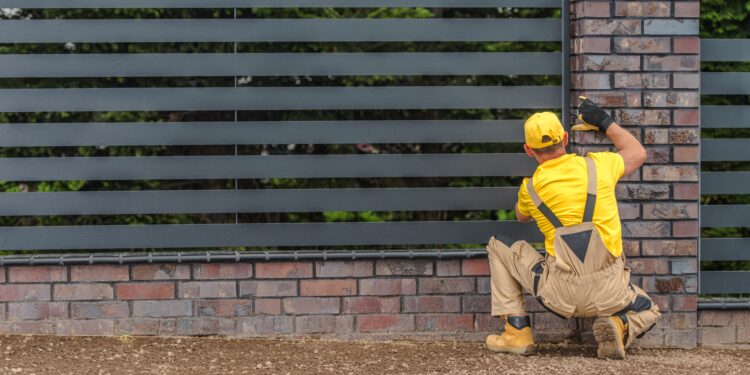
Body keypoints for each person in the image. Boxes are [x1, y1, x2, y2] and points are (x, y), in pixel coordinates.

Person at [484, 98, 660, 359]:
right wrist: (604, 122)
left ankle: (516, 331)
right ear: (565, 138)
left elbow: (521, 217)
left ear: (528, 149)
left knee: (497, 245)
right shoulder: (599, 166)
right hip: (611, 293)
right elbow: (638, 153)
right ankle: (620, 324)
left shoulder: (530, 188)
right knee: (650, 310)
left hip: (559, 295)